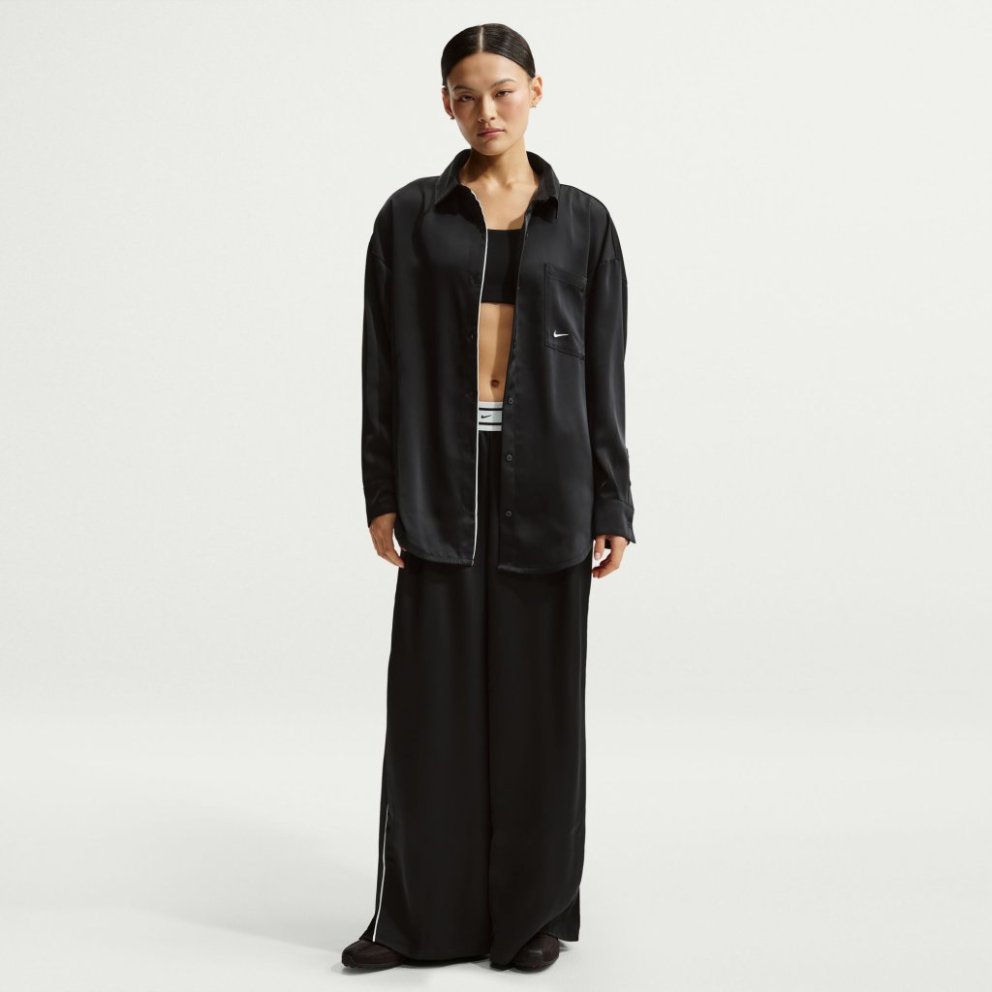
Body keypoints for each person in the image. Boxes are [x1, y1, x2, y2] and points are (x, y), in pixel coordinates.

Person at [343, 22, 636, 973]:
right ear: (446, 104)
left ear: (536, 91)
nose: (486, 110)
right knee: (431, 714)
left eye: (503, 90)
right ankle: (417, 921)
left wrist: (612, 500)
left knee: (540, 714)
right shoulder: (410, 216)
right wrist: (382, 489)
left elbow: (604, 372)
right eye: (466, 95)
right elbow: (381, 364)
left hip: (550, 483)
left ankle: (530, 919)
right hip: (441, 477)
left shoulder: (583, 222)